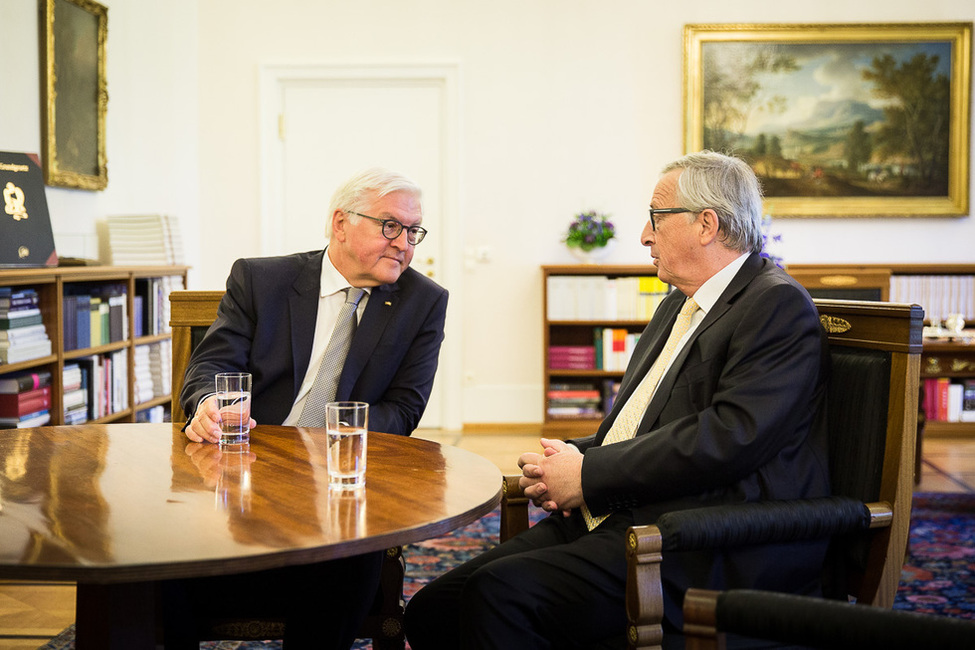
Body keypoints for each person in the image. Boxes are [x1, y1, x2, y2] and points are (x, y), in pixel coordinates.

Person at [404, 151, 830, 650]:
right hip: (626, 512)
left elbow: (731, 437)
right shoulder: (677, 303)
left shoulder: (773, 304)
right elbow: (643, 424)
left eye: (656, 218)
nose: (645, 236)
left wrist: (588, 474)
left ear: (706, 224)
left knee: (499, 595)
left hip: (701, 537)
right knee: (434, 609)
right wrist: (570, 460)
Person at [165, 167, 449, 650]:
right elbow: (214, 362)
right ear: (341, 223)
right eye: (391, 226)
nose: (405, 243)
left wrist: (323, 447)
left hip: (338, 485)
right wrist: (210, 403)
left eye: (413, 231)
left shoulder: (422, 301)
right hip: (241, 469)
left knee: (353, 549)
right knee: (158, 558)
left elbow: (403, 410)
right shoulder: (261, 280)